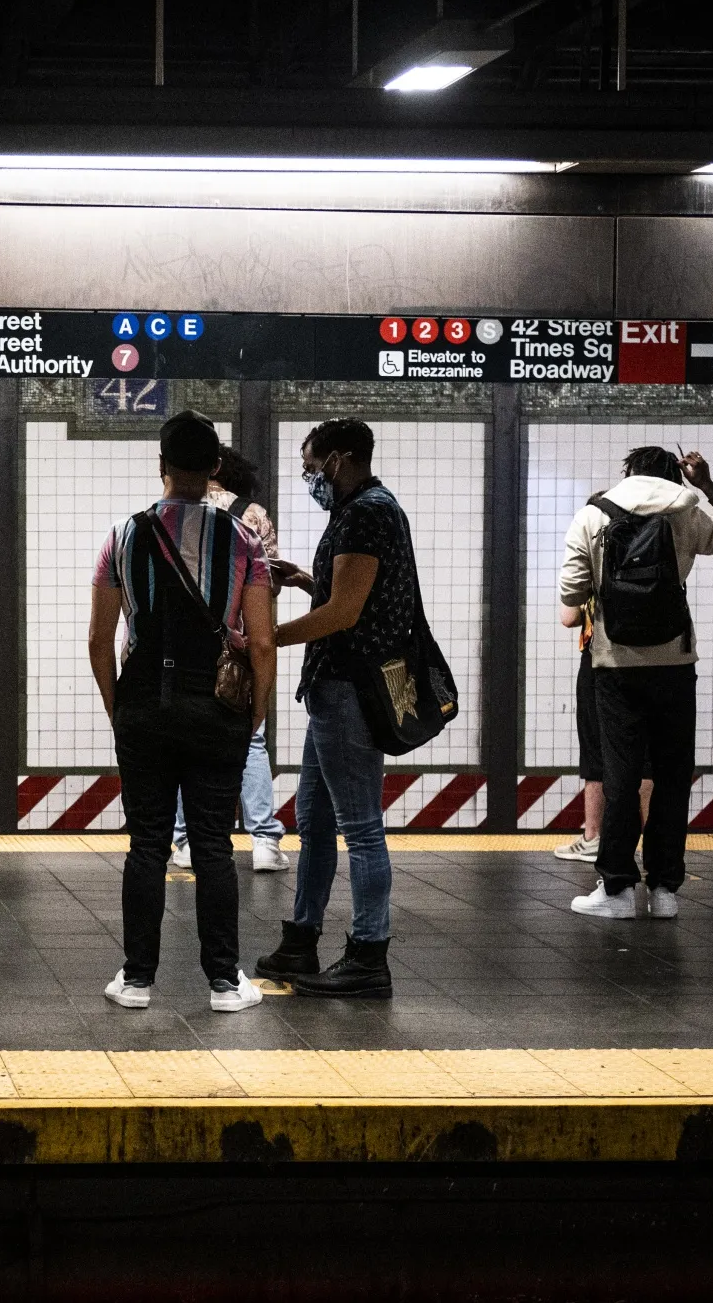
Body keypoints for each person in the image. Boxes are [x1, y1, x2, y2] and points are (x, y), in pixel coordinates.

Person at [90, 413, 276, 1015]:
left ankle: (137, 979)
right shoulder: (243, 540)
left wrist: (119, 705)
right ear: (215, 467)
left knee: (146, 843)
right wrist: (255, 714)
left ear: (161, 462)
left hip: (143, 703)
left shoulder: (122, 535)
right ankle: (224, 983)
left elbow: (100, 639)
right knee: (214, 844)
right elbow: (262, 640)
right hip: (215, 706)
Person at [255, 418, 417, 999]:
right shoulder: (366, 509)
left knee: (361, 829)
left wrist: (263, 637)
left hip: (349, 687)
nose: (308, 477)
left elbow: (344, 613)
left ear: (338, 460)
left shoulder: (366, 512)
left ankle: (369, 955)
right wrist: (303, 579)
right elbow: (352, 597)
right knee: (316, 823)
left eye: (310, 465)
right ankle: (301, 937)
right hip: (335, 687)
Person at [558, 446, 713, 920]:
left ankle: (617, 890)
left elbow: (570, 595)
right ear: (676, 476)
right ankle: (665, 890)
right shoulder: (687, 513)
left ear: (628, 472)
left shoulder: (593, 515)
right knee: (670, 776)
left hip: (615, 666)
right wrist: (708, 488)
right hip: (674, 665)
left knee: (621, 774)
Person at [168, 444, 287, 874]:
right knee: (251, 740)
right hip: (234, 648)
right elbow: (266, 588)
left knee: (182, 744)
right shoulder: (253, 515)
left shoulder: (166, 514)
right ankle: (264, 842)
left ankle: (185, 842)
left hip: (178, 651)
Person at [552, 602, 653, 863]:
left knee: (596, 748)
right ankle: (654, 846)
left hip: (602, 660)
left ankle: (593, 837)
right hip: (654, 663)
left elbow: (569, 617)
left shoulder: (589, 559)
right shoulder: (662, 558)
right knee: (647, 755)